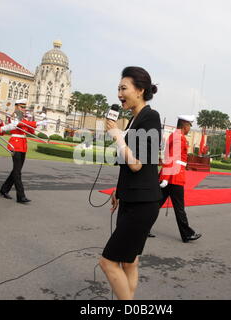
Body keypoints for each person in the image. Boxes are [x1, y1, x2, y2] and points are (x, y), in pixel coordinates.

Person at [100, 66, 162, 300]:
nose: (119, 94)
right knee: (129, 261)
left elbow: (137, 164)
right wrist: (119, 190)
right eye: (118, 88)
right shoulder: (134, 120)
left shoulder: (150, 117)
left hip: (143, 203)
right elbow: (128, 166)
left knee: (107, 262)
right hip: (130, 198)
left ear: (140, 90)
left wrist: (116, 136)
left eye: (123, 88)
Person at [148, 115, 202, 243]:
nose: (190, 128)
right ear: (184, 125)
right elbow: (171, 158)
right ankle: (187, 234)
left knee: (156, 205)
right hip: (174, 177)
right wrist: (165, 178)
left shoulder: (176, 136)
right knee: (179, 208)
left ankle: (142, 228)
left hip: (171, 176)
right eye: (189, 125)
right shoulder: (179, 137)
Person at [0, 99, 50, 203]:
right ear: (17, 107)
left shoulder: (24, 117)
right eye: (22, 107)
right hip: (15, 144)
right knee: (17, 172)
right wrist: (36, 122)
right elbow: (21, 124)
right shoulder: (14, 115)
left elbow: (30, 131)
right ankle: (20, 196)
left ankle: (4, 190)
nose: (24, 109)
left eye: (24, 107)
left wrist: (35, 122)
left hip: (22, 145)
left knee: (16, 170)